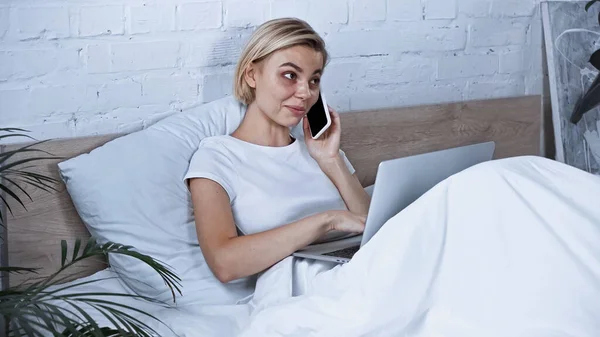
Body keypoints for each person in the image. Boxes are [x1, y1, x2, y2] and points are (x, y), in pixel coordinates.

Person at [183, 17, 371, 289]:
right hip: (304, 289)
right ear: (252, 75)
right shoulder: (217, 157)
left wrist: (331, 160)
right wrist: (327, 221)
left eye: (314, 80)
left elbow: (374, 227)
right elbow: (224, 262)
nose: (306, 93)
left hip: (363, 270)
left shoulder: (322, 152)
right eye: (290, 75)